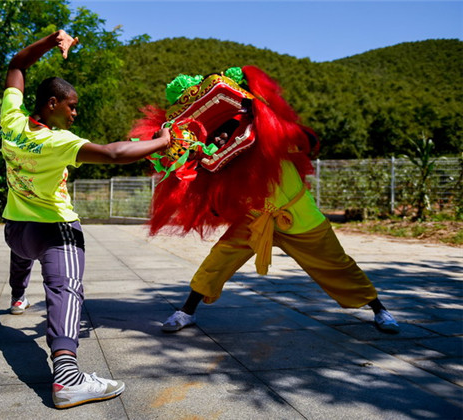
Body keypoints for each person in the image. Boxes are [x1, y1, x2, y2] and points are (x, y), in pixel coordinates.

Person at [127, 67, 400, 336]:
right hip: (253, 219)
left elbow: (308, 140)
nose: (220, 135)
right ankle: (187, 311)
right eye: (215, 132)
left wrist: (269, 121)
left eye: (224, 128)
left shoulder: (273, 136)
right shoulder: (218, 158)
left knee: (337, 265)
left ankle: (379, 309)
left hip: (299, 216)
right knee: (217, 262)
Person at [0, 29, 171, 409]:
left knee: (22, 257)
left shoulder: (11, 120)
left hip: (16, 231)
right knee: (65, 290)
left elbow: (16, 64)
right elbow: (113, 154)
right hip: (55, 232)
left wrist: (50, 40)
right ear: (52, 103)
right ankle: (68, 379)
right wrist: (163, 141)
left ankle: (16, 298)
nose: (74, 113)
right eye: (71, 106)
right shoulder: (58, 142)